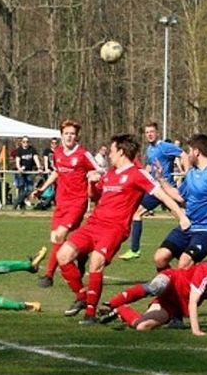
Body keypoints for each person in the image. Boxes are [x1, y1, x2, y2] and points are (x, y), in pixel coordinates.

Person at [57, 133, 189, 324]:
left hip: (114, 229)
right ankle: (82, 296)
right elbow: (95, 196)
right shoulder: (110, 173)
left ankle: (90, 314)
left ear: (121, 152)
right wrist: (92, 183)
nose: (109, 155)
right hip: (93, 224)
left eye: (111, 151)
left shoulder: (138, 173)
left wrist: (182, 216)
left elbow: (162, 195)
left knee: (96, 261)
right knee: (63, 256)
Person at [96, 258, 207, 335]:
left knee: (142, 327)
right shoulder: (206, 272)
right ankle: (114, 302)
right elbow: (194, 301)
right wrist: (196, 330)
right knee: (156, 286)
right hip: (171, 280)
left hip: (174, 304)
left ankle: (120, 310)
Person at [30, 119, 100, 288]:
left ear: (77, 137)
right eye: (66, 134)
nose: (69, 137)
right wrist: (42, 188)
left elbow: (99, 169)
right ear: (61, 135)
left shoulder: (83, 154)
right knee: (57, 238)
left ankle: (48, 275)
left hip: (77, 202)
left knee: (60, 235)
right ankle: (81, 257)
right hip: (61, 202)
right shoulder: (58, 153)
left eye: (72, 134)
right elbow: (56, 172)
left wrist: (93, 177)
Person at [152, 134, 207, 271]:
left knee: (185, 262)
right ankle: (171, 287)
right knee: (160, 258)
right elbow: (180, 197)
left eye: (189, 151)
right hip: (188, 226)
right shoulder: (191, 174)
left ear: (197, 152)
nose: (187, 155)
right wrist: (161, 179)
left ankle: (187, 286)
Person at [117, 122, 186, 261]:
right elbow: (149, 166)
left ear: (157, 133)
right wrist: (142, 176)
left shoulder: (164, 147)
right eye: (147, 132)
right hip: (155, 189)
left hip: (166, 188)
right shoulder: (149, 149)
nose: (149, 134)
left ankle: (194, 242)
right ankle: (135, 250)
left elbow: (183, 154)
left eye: (152, 132)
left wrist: (188, 172)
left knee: (183, 217)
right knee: (137, 213)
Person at [13, 136, 41, 210]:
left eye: (27, 141)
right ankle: (20, 205)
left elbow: (36, 158)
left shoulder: (32, 149)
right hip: (21, 172)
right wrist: (19, 168)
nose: (26, 143)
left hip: (29, 172)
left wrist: (39, 167)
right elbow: (17, 160)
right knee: (21, 188)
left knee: (30, 189)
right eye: (24, 142)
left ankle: (17, 202)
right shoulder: (19, 150)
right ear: (21, 142)